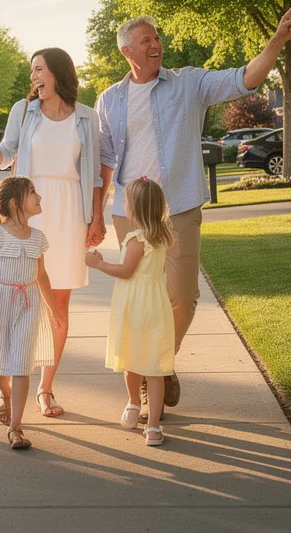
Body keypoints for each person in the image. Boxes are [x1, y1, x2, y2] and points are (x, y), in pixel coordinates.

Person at [97, 3, 291, 409]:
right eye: (146, 41)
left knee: (183, 298)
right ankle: (151, 372)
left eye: (156, 38)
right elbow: (106, 159)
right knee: (141, 299)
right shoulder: (110, 99)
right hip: (128, 212)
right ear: (127, 52)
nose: (156, 45)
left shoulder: (188, 83)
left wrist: (277, 42)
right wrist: (94, 213)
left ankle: (157, 365)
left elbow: (244, 79)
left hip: (179, 206)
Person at [0, 48, 104, 418]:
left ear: (58, 73)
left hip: (69, 212)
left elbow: (95, 175)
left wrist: (96, 219)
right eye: (32, 70)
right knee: (19, 299)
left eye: (39, 69)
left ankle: (45, 388)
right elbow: (5, 155)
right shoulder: (24, 110)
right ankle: (12, 384)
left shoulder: (87, 117)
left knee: (58, 305)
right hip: (28, 213)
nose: (34, 76)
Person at [0, 176, 64, 450]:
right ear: (16, 202)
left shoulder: (38, 238)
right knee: (0, 357)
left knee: (21, 363)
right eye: (33, 193)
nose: (39, 196)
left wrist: (53, 309)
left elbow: (41, 275)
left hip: (28, 304)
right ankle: (5, 394)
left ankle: (16, 428)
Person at [85, 178, 175, 447]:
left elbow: (126, 272)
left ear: (134, 208)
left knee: (131, 359)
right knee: (154, 367)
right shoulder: (162, 235)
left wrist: (99, 263)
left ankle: (135, 403)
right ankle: (153, 426)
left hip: (136, 307)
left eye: (125, 200)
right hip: (155, 305)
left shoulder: (136, 239)